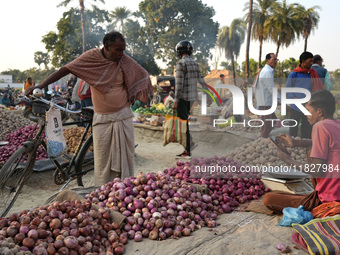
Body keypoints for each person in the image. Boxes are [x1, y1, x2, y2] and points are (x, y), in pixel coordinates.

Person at [26, 31, 152, 185]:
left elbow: (143, 75)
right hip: (103, 119)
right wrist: (41, 85)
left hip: (123, 117)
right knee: (103, 160)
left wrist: (134, 93)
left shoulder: (125, 61)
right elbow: (66, 69)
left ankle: (125, 189)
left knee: (125, 159)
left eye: (123, 49)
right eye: (118, 49)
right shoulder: (92, 57)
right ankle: (104, 191)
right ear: (107, 47)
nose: (121, 53)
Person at [264, 90, 340, 214]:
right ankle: (319, 194)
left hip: (331, 201)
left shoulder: (320, 126)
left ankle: (321, 201)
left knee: (269, 199)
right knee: (310, 149)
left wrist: (287, 160)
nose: (305, 115)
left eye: (308, 111)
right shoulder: (336, 124)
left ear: (319, 112)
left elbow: (317, 170)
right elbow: (329, 145)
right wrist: (296, 143)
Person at [173, 40, 202, 159]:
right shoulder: (195, 63)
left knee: (183, 124)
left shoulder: (181, 63)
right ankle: (189, 147)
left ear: (179, 51)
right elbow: (201, 80)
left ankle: (189, 146)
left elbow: (179, 85)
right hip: (192, 99)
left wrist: (175, 101)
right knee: (185, 123)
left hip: (182, 99)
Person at [285, 51, 324, 139]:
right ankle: (292, 148)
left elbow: (315, 88)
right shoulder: (294, 74)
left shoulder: (312, 73)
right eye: (309, 61)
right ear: (303, 61)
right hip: (295, 107)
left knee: (307, 129)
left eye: (312, 61)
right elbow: (287, 89)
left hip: (308, 107)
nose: (311, 63)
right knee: (293, 129)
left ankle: (305, 148)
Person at [254, 53, 279, 138]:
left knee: (272, 121)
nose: (275, 61)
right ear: (267, 60)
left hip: (266, 100)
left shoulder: (266, 70)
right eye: (273, 59)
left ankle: (266, 137)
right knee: (267, 124)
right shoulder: (267, 72)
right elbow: (271, 88)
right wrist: (282, 100)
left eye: (276, 59)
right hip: (266, 101)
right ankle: (262, 139)